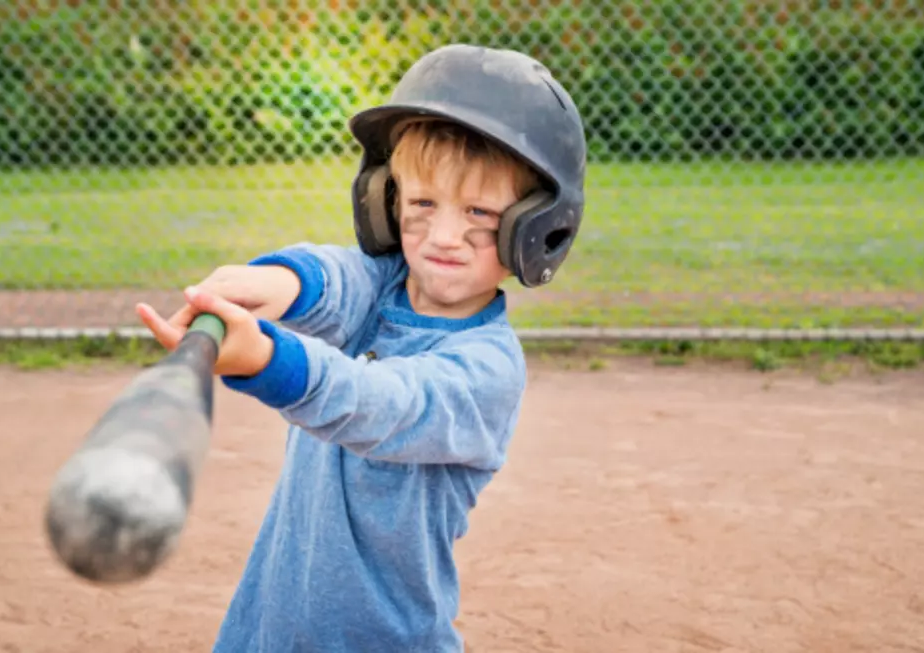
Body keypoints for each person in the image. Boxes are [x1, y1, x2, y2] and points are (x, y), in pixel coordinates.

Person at [136, 43, 587, 652]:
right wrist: (278, 283)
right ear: (386, 199)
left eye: (479, 213)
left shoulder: (487, 370)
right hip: (267, 630)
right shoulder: (382, 287)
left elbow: (377, 402)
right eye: (422, 203)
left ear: (533, 228)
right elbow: (339, 276)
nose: (442, 237)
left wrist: (269, 361)